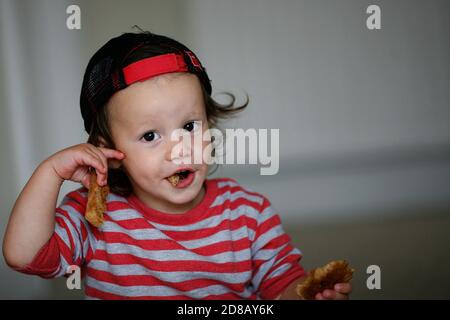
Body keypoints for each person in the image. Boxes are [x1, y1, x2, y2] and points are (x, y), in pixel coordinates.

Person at [3, 31, 351, 300]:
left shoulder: (248, 214)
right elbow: (23, 256)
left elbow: (282, 287)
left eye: (189, 126)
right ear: (108, 151)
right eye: (151, 135)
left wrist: (307, 294)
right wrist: (50, 173)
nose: (179, 148)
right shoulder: (95, 216)